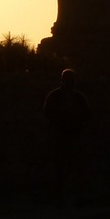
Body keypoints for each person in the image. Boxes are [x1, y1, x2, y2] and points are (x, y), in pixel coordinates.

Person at [43, 68, 91, 199]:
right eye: (68, 80)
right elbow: (48, 113)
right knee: (60, 167)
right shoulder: (56, 96)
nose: (70, 83)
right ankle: (61, 196)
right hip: (60, 136)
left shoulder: (76, 97)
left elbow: (86, 115)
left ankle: (73, 196)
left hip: (72, 136)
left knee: (73, 167)